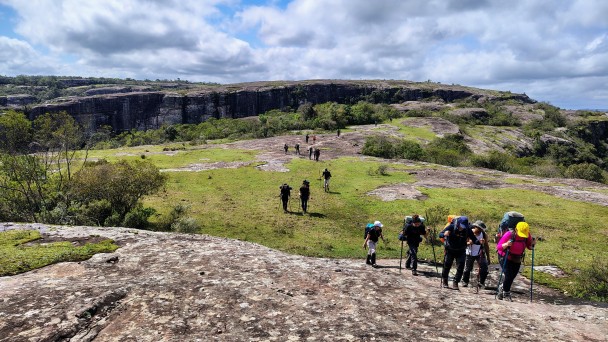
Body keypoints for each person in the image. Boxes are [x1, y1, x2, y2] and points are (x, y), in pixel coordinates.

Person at [496, 221, 534, 301]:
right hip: (505, 256)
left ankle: (502, 288)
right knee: (508, 275)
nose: (522, 235)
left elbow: (529, 246)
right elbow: (498, 247)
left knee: (512, 276)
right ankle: (506, 293)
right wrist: (506, 244)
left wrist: (532, 245)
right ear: (516, 229)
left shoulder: (527, 235)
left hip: (517, 258)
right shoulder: (509, 234)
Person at [439, 216, 479, 289]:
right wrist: (444, 234)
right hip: (450, 250)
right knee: (447, 265)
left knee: (461, 267)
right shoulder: (451, 226)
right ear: (458, 223)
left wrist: (479, 242)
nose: (462, 228)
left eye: (464, 226)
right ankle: (445, 280)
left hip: (461, 251)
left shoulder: (467, 229)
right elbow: (440, 234)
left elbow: (474, 239)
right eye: (461, 226)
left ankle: (456, 282)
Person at [462, 220, 490, 288]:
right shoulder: (469, 232)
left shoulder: (483, 234)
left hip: (480, 253)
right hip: (469, 253)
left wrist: (488, 257)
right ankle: (465, 281)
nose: (480, 230)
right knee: (467, 269)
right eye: (479, 228)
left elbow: (486, 245)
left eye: (481, 229)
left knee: (484, 267)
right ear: (475, 227)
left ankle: (481, 282)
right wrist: (469, 243)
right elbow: (462, 243)